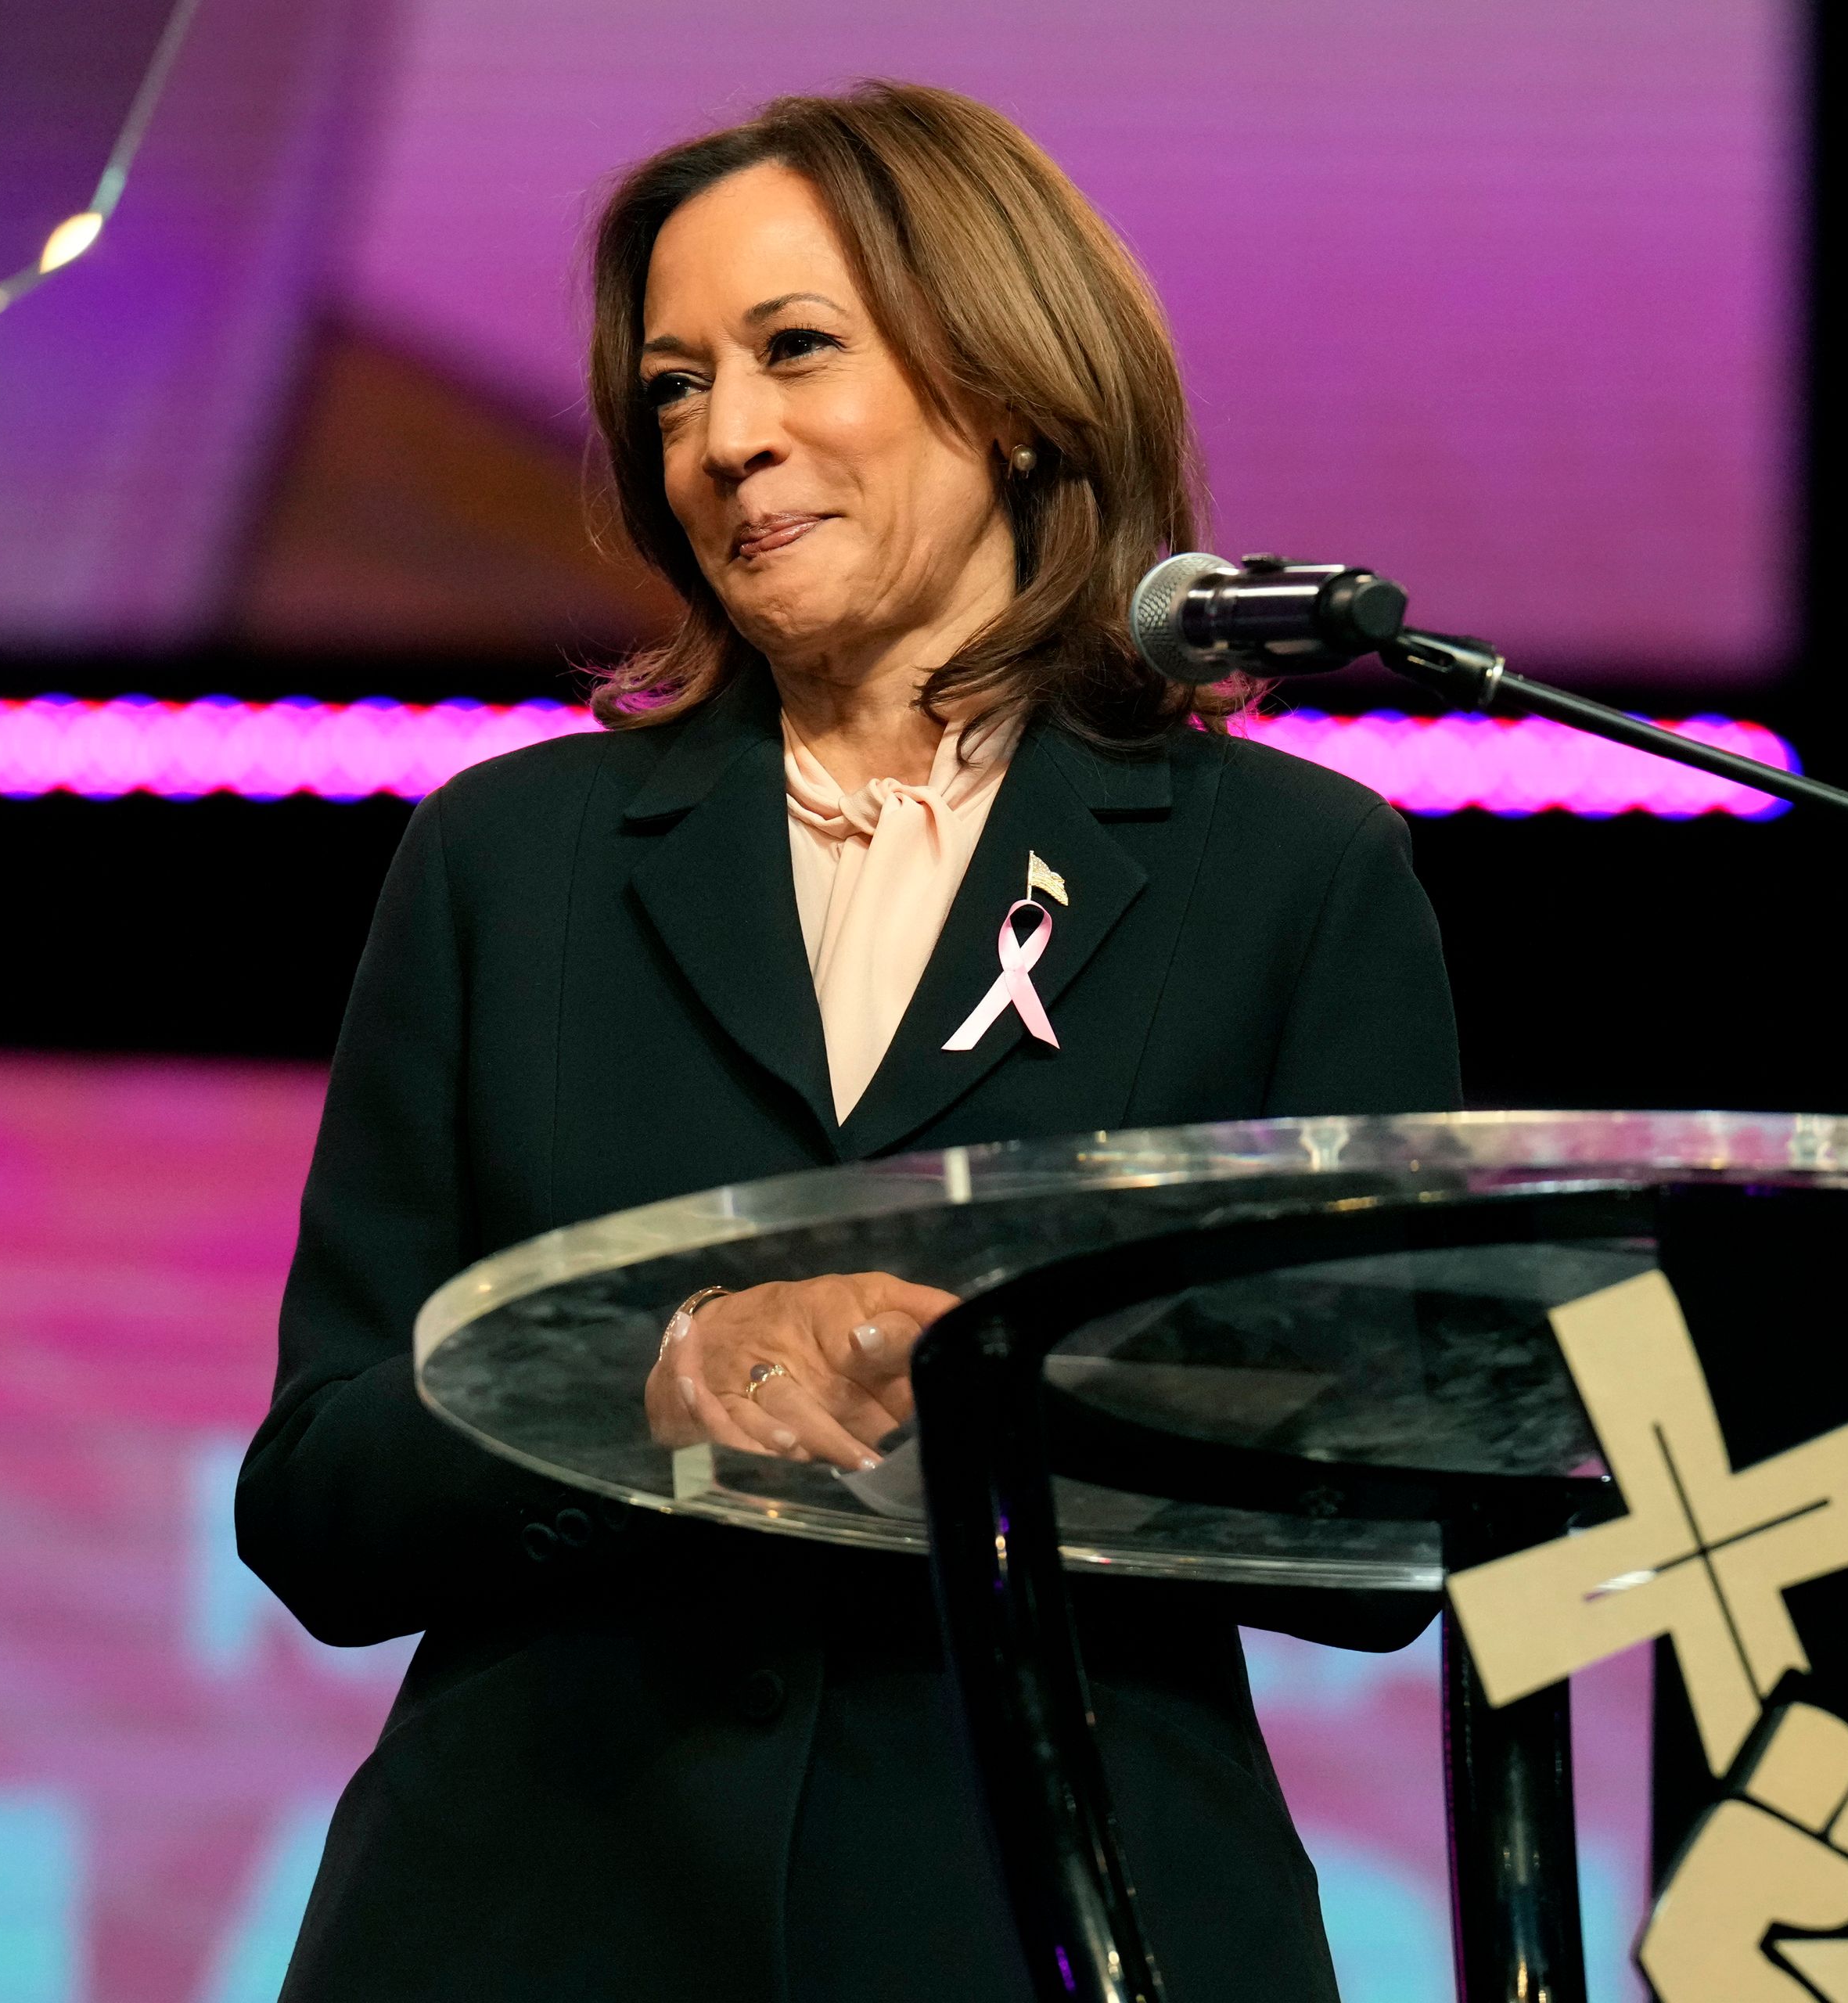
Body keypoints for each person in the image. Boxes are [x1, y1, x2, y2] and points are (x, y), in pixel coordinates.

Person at [241, 81, 1462, 2001]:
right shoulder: (512, 860)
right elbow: (317, 1495)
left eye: (795, 351)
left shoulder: (1290, 876)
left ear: (1015, 388)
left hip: (1060, 1919)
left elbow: (1383, 1492)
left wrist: (1000, 1386)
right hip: (540, 1927)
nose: (724, 438)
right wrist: (651, 1374)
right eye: (670, 388)